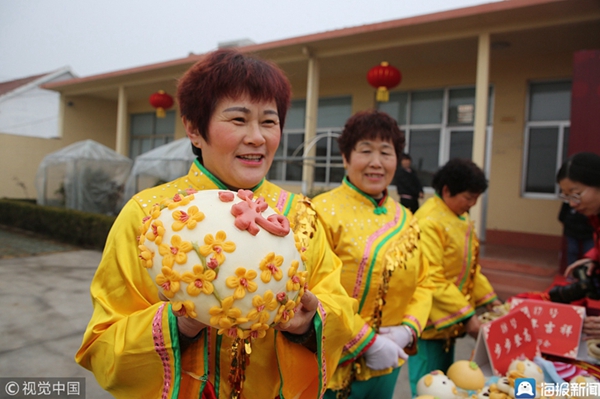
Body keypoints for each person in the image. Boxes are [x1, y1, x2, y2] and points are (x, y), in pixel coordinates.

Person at [75, 49, 358, 399]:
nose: (257, 137)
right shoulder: (148, 215)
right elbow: (104, 345)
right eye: (238, 120)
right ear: (194, 129)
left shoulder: (299, 214)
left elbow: (342, 310)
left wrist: (307, 325)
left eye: (269, 121)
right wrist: (178, 323)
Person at [312, 110, 434, 399]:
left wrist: (408, 329)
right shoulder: (319, 211)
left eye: (386, 152)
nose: (376, 163)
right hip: (331, 364)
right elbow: (312, 288)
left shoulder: (407, 218)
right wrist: (366, 342)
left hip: (388, 362)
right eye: (365, 151)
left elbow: (424, 282)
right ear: (345, 157)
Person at [407, 158, 501, 395]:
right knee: (428, 384)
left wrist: (491, 300)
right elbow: (431, 277)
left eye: (476, 198)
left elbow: (470, 269)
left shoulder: (459, 217)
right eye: (469, 198)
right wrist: (468, 316)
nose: (472, 204)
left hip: (450, 321)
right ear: (447, 190)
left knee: (449, 385)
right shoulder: (429, 221)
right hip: (430, 323)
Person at [559, 152, 600, 340]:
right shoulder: (594, 217)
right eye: (567, 197)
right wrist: (594, 257)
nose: (573, 204)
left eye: (576, 194)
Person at [558, 201, 594, 269]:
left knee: (589, 254)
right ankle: (572, 272)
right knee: (572, 251)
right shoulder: (568, 202)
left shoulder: (592, 204)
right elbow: (561, 216)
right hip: (571, 232)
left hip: (589, 233)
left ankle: (588, 274)